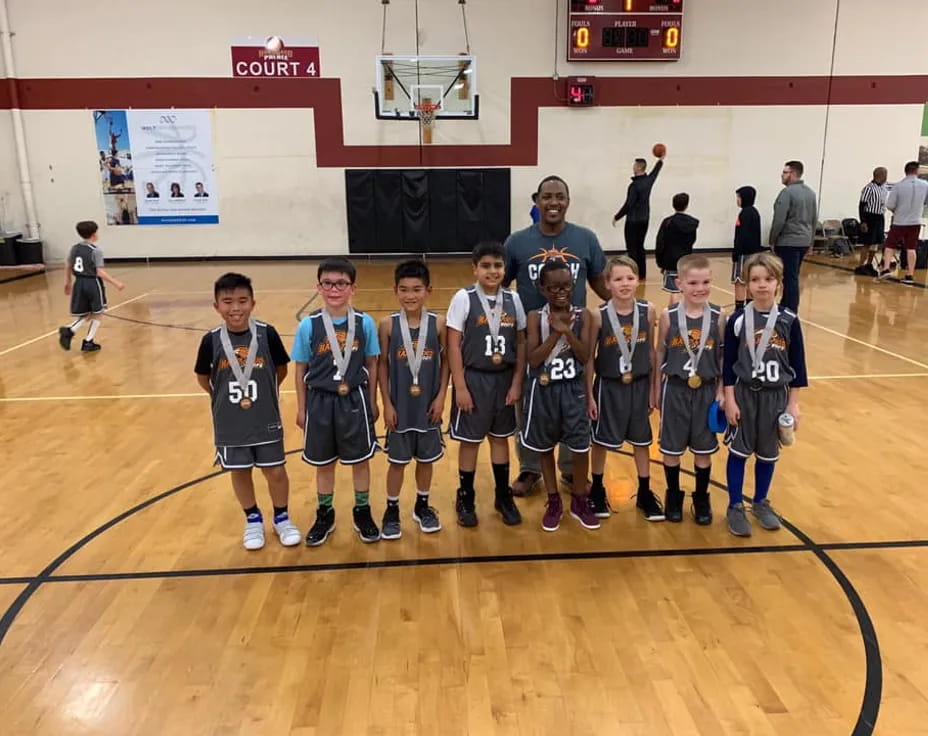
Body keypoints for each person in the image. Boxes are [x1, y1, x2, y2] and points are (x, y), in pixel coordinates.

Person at [504, 175, 610, 495]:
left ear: (568, 200)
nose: (554, 202)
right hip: (532, 337)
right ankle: (529, 468)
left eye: (560, 197)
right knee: (528, 401)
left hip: (572, 337)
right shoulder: (517, 242)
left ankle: (568, 469)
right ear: (536, 200)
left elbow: (600, 283)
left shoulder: (586, 239)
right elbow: (501, 285)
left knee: (573, 402)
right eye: (547, 196)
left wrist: (621, 311)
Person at [194, 273, 301, 550]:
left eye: (242, 301)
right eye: (227, 302)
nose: (235, 308)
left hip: (265, 418)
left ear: (253, 303)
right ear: (216, 306)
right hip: (230, 423)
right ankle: (253, 519)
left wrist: (264, 394)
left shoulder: (267, 333)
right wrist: (222, 399)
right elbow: (204, 377)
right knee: (240, 471)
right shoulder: (211, 340)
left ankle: (281, 518)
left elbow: (281, 370)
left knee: (275, 470)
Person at [292, 257, 381, 546]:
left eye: (341, 283)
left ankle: (362, 511)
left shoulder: (365, 322)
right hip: (320, 401)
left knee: (360, 461)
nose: (334, 289)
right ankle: (325, 513)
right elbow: (300, 369)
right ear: (319, 287)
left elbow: (373, 362)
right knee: (324, 463)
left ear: (352, 288)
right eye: (328, 283)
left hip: (354, 399)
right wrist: (302, 408)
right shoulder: (309, 325)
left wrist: (373, 400)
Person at [722, 252, 808, 537]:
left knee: (768, 454)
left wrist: (793, 405)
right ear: (746, 284)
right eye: (755, 280)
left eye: (768, 279)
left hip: (775, 397)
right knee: (739, 451)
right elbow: (728, 365)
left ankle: (760, 501)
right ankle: (735, 505)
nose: (762, 285)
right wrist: (730, 398)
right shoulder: (737, 319)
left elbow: (798, 366)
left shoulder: (789, 320)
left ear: (778, 283)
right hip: (745, 394)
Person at [447, 241, 526, 527]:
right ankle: (465, 495)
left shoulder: (513, 299)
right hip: (475, 377)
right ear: (475, 269)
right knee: (470, 441)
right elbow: (453, 346)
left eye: (498, 266)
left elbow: (520, 342)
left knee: (500, 437)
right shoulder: (463, 298)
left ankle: (502, 495)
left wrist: (517, 381)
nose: (493, 271)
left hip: (503, 378)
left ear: (505, 269)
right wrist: (461, 386)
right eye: (486, 266)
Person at [521, 260, 599, 532]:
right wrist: (556, 334)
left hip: (573, 391)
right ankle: (553, 500)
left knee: (579, 448)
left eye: (565, 286)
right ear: (542, 289)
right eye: (553, 287)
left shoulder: (584, 316)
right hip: (543, 390)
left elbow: (585, 355)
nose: (560, 292)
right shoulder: (534, 317)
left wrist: (568, 331)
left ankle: (579, 499)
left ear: (573, 285)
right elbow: (533, 359)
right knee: (544, 447)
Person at [587, 256, 662, 521]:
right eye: (618, 279)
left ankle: (644, 491)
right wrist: (589, 396)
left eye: (630, 278)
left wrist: (655, 389)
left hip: (640, 386)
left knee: (642, 441)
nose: (625, 283)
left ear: (638, 279)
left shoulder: (648, 310)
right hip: (608, 387)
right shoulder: (597, 315)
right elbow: (588, 359)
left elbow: (652, 353)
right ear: (607, 283)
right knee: (601, 441)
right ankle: (596, 489)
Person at [378, 260, 448, 539]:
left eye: (417, 289)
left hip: (428, 405)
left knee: (426, 459)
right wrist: (387, 403)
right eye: (404, 289)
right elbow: (381, 366)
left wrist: (442, 396)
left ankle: (422, 505)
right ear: (395, 291)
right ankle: (391, 509)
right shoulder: (387, 325)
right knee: (397, 462)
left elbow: (446, 364)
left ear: (428, 290)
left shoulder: (439, 323)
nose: (410, 295)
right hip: (400, 407)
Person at [654, 254, 724, 525]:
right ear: (679, 283)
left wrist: (720, 390)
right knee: (671, 449)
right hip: (675, 388)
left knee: (703, 449)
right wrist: (655, 390)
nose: (700, 288)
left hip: (706, 391)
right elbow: (659, 353)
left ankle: (701, 496)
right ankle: (673, 494)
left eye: (705, 282)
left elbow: (721, 358)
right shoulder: (668, 316)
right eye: (693, 282)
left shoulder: (719, 317)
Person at [58, 220, 125, 353]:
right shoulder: (96, 251)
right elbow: (99, 272)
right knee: (98, 312)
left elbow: (68, 265)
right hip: (92, 283)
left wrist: (68, 282)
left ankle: (77, 334)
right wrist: (116, 283)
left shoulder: (75, 248)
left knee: (87, 313)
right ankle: (81, 337)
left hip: (79, 282)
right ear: (94, 234)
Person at [769, 160, 817, 312]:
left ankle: (790, 310)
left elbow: (779, 220)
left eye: (785, 172)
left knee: (790, 278)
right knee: (792, 276)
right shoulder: (810, 193)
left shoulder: (786, 193)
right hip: (803, 241)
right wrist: (810, 242)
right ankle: (786, 305)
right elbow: (814, 219)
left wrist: (772, 239)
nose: (781, 175)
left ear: (793, 174)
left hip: (788, 241)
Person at [612, 153, 665, 279]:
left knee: (632, 248)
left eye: (635, 165)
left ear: (639, 167)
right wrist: (660, 161)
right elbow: (655, 172)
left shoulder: (634, 186)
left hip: (633, 220)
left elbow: (629, 205)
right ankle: (642, 273)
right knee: (640, 246)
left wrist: (617, 216)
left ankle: (633, 273)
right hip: (644, 219)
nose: (633, 167)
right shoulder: (648, 181)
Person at [876, 161, 928, 286]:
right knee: (911, 248)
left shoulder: (898, 186)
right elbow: (925, 201)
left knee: (890, 245)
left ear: (905, 171)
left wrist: (897, 211)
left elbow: (890, 205)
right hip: (915, 221)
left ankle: (886, 269)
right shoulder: (925, 185)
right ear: (916, 171)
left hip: (900, 221)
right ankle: (910, 274)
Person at [654, 192, 699, 306]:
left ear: (673, 204)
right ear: (687, 205)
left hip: (670, 261)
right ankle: (674, 312)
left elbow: (660, 243)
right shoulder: (692, 223)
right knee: (683, 289)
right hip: (686, 260)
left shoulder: (668, 222)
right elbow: (692, 240)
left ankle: (675, 316)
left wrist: (660, 261)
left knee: (674, 290)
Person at [731, 185, 763, 310]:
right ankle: (750, 307)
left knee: (740, 280)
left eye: (738, 197)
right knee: (750, 279)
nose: (737, 200)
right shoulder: (754, 212)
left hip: (744, 253)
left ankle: (739, 308)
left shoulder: (745, 213)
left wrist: (736, 252)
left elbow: (742, 235)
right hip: (753, 252)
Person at [854, 167, 888, 276]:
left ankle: (869, 264)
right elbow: (862, 205)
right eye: (885, 175)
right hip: (870, 217)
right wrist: (863, 221)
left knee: (876, 242)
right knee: (867, 243)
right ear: (880, 175)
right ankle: (861, 265)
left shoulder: (882, 188)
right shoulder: (868, 188)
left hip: (879, 217)